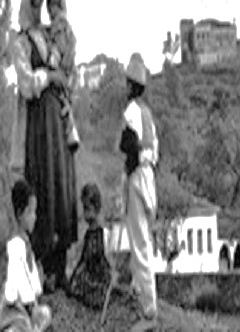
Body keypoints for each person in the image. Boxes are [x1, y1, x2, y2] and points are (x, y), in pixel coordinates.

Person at [10, 0, 77, 291]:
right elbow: (26, 83)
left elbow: (66, 68)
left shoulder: (51, 35)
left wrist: (60, 79)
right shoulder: (21, 41)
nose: (39, 8)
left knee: (61, 184)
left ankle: (61, 266)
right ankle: (45, 267)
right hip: (38, 126)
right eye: (34, 2)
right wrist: (49, 77)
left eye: (42, 2)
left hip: (58, 121)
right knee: (44, 186)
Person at [119, 53, 159, 332]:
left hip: (136, 176)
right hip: (149, 177)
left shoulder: (131, 112)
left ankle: (149, 309)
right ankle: (138, 288)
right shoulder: (148, 115)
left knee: (140, 242)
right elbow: (154, 151)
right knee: (144, 237)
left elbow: (130, 147)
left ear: (132, 85)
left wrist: (126, 174)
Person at [0, 180, 52, 332]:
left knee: (45, 313)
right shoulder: (15, 245)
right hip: (15, 308)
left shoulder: (27, 244)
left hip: (28, 307)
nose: (34, 217)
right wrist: (30, 303)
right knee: (20, 324)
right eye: (30, 212)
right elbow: (19, 284)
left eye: (34, 212)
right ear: (20, 214)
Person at [44, 0, 80, 152]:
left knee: (62, 101)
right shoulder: (66, 25)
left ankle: (69, 132)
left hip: (64, 70)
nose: (50, 11)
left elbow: (61, 49)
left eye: (53, 6)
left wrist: (53, 63)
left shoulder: (59, 24)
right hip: (70, 73)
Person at [66, 184, 110, 309]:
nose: (85, 214)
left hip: (98, 275)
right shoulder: (88, 234)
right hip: (89, 273)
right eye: (84, 209)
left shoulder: (102, 233)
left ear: (96, 208)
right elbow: (83, 259)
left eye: (87, 209)